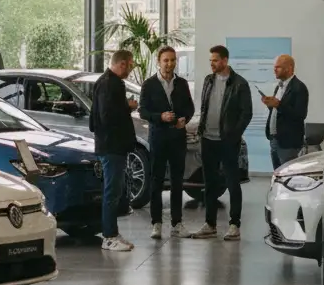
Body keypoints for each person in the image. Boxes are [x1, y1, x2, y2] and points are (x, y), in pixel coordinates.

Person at [191, 45, 253, 242]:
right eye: (210, 61)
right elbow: (204, 106)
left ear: (225, 61)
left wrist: (234, 135)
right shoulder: (208, 80)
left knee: (232, 182)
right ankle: (210, 225)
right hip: (208, 139)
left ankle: (234, 225)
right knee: (209, 184)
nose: (212, 64)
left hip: (227, 141)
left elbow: (247, 113)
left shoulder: (239, 84)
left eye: (215, 60)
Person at [139, 45, 195, 240]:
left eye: (172, 60)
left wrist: (184, 120)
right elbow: (143, 111)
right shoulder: (149, 84)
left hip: (178, 138)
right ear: (159, 62)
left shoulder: (182, 83)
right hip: (159, 138)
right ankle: (156, 223)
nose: (170, 63)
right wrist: (160, 116)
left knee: (178, 181)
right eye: (166, 60)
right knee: (157, 180)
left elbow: (190, 107)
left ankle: (177, 223)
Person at [89, 49, 138, 252]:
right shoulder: (110, 84)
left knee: (115, 191)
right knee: (112, 192)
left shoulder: (107, 82)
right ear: (123, 64)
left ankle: (112, 232)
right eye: (131, 64)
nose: (132, 68)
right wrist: (128, 107)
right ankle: (108, 236)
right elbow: (106, 116)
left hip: (113, 146)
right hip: (112, 147)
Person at [261, 54, 309, 169]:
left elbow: (300, 114)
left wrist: (278, 104)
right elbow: (279, 111)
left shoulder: (299, 87)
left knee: (288, 177)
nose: (274, 70)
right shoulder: (279, 87)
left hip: (288, 142)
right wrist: (270, 105)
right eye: (274, 67)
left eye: (278, 67)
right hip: (274, 139)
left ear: (289, 68)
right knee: (277, 174)